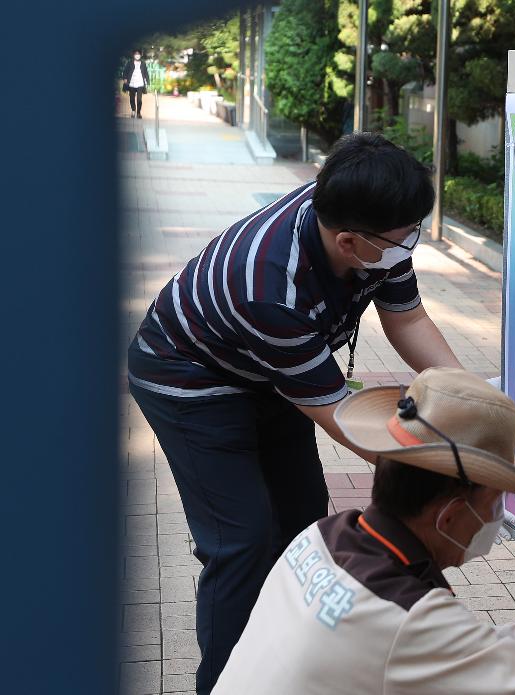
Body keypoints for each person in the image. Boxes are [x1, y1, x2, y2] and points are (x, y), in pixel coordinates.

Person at [128, 133, 463, 694]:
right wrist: (449, 455)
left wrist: (468, 399)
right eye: (405, 237)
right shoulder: (268, 285)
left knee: (304, 523)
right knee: (243, 541)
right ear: (350, 242)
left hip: (271, 375)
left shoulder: (378, 222)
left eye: (415, 231)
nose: (412, 245)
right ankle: (224, 682)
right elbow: (341, 414)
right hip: (188, 380)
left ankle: (292, 666)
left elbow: (407, 320)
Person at [213, 368, 515, 694]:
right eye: (494, 502)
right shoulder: (408, 617)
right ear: (448, 517)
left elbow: (457, 652)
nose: (497, 519)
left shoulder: (321, 538)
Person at [122, 50, 149, 118]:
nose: (137, 55)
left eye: (138, 54)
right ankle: (133, 110)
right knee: (132, 98)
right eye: (136, 54)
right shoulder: (130, 62)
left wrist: (147, 81)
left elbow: (146, 72)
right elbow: (125, 71)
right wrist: (125, 78)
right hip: (132, 83)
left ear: (140, 55)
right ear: (133, 55)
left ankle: (139, 112)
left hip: (140, 83)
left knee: (139, 99)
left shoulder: (143, 63)